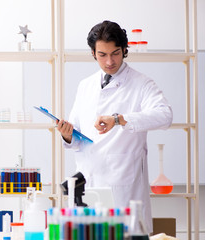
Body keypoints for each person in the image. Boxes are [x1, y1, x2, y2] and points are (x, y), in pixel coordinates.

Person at [57, 20, 173, 233]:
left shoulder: (142, 83)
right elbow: (77, 134)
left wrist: (119, 119)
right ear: (93, 53)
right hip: (88, 187)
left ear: (125, 50)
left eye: (115, 53)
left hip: (124, 190)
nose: (109, 61)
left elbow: (165, 116)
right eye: (102, 55)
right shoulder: (86, 85)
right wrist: (67, 136)